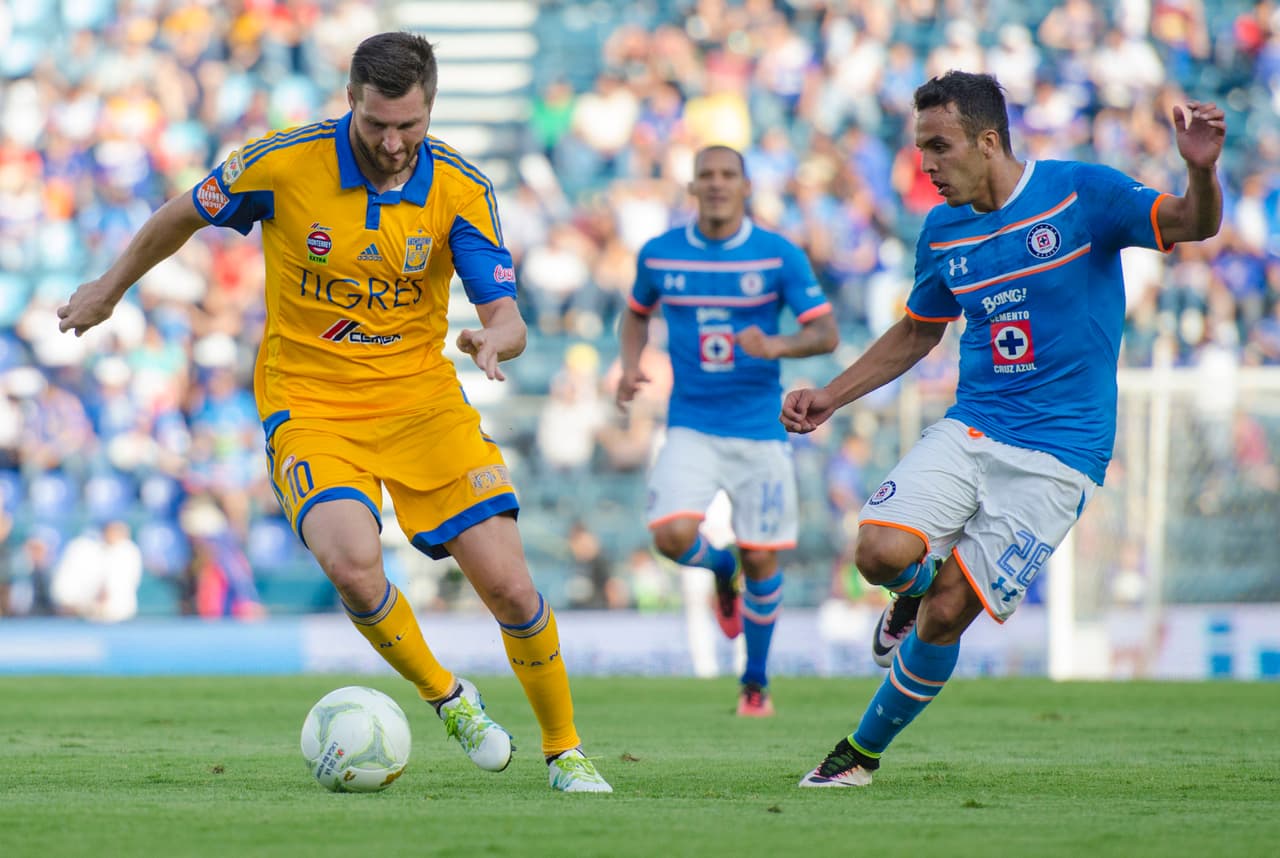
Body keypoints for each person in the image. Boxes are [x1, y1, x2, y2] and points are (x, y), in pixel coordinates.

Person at [57, 32, 610, 793]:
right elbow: (181, 214)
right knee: (351, 564)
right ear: (351, 99)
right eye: (377, 123)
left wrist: (497, 340)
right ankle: (449, 700)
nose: (393, 142)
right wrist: (108, 288)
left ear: (430, 109)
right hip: (310, 404)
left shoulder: (460, 188)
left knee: (512, 588)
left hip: (422, 405)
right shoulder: (283, 164)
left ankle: (564, 750)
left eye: (409, 125)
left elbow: (506, 315)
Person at [782, 71, 1225, 786]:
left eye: (940, 147)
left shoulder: (1080, 193)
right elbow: (918, 331)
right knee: (878, 552)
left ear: (988, 142)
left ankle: (858, 755)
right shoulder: (942, 229)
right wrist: (832, 395)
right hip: (975, 425)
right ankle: (911, 587)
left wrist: (1200, 171)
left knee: (948, 613)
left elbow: (1193, 223)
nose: (927, 165)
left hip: (1060, 453)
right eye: (920, 149)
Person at [616, 145, 838, 716]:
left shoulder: (777, 255)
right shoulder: (660, 254)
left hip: (759, 428)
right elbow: (636, 311)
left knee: (763, 559)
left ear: (746, 187)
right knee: (670, 536)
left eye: (727, 175)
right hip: (691, 421)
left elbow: (826, 333)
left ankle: (754, 684)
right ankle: (720, 567)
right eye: (706, 176)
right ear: (692, 187)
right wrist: (630, 364)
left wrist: (778, 344)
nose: (716, 184)